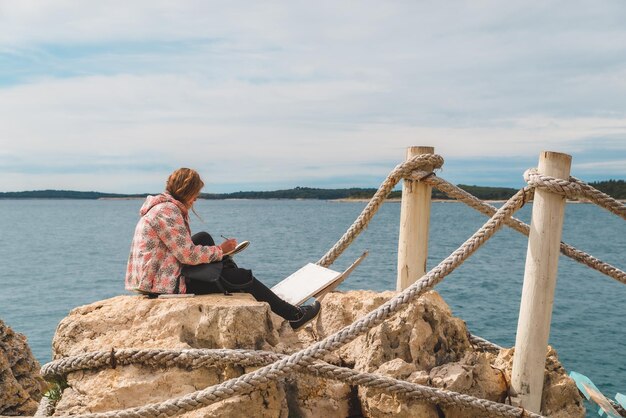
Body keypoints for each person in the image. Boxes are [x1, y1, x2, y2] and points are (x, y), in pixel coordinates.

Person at [125, 167, 320, 330]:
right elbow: (188, 255)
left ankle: (226, 272)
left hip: (158, 275)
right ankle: (294, 316)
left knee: (204, 238)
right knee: (242, 278)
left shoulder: (163, 206)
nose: (196, 199)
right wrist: (221, 250)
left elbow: (183, 249)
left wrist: (219, 253)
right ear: (187, 191)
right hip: (162, 284)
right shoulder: (168, 211)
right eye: (195, 194)